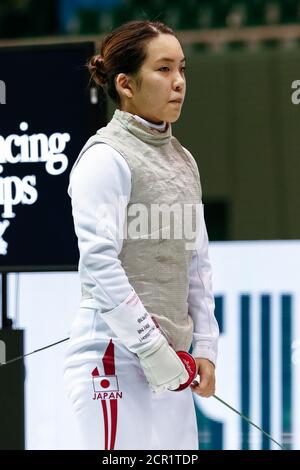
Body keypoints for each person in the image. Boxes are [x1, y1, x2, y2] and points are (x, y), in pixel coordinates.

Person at [64, 20, 219, 450]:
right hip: (113, 361)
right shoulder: (105, 158)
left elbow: (197, 263)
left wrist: (204, 346)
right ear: (126, 84)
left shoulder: (184, 162)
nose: (179, 83)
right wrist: (150, 348)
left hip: (172, 366)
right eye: (164, 69)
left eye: (182, 69)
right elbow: (99, 263)